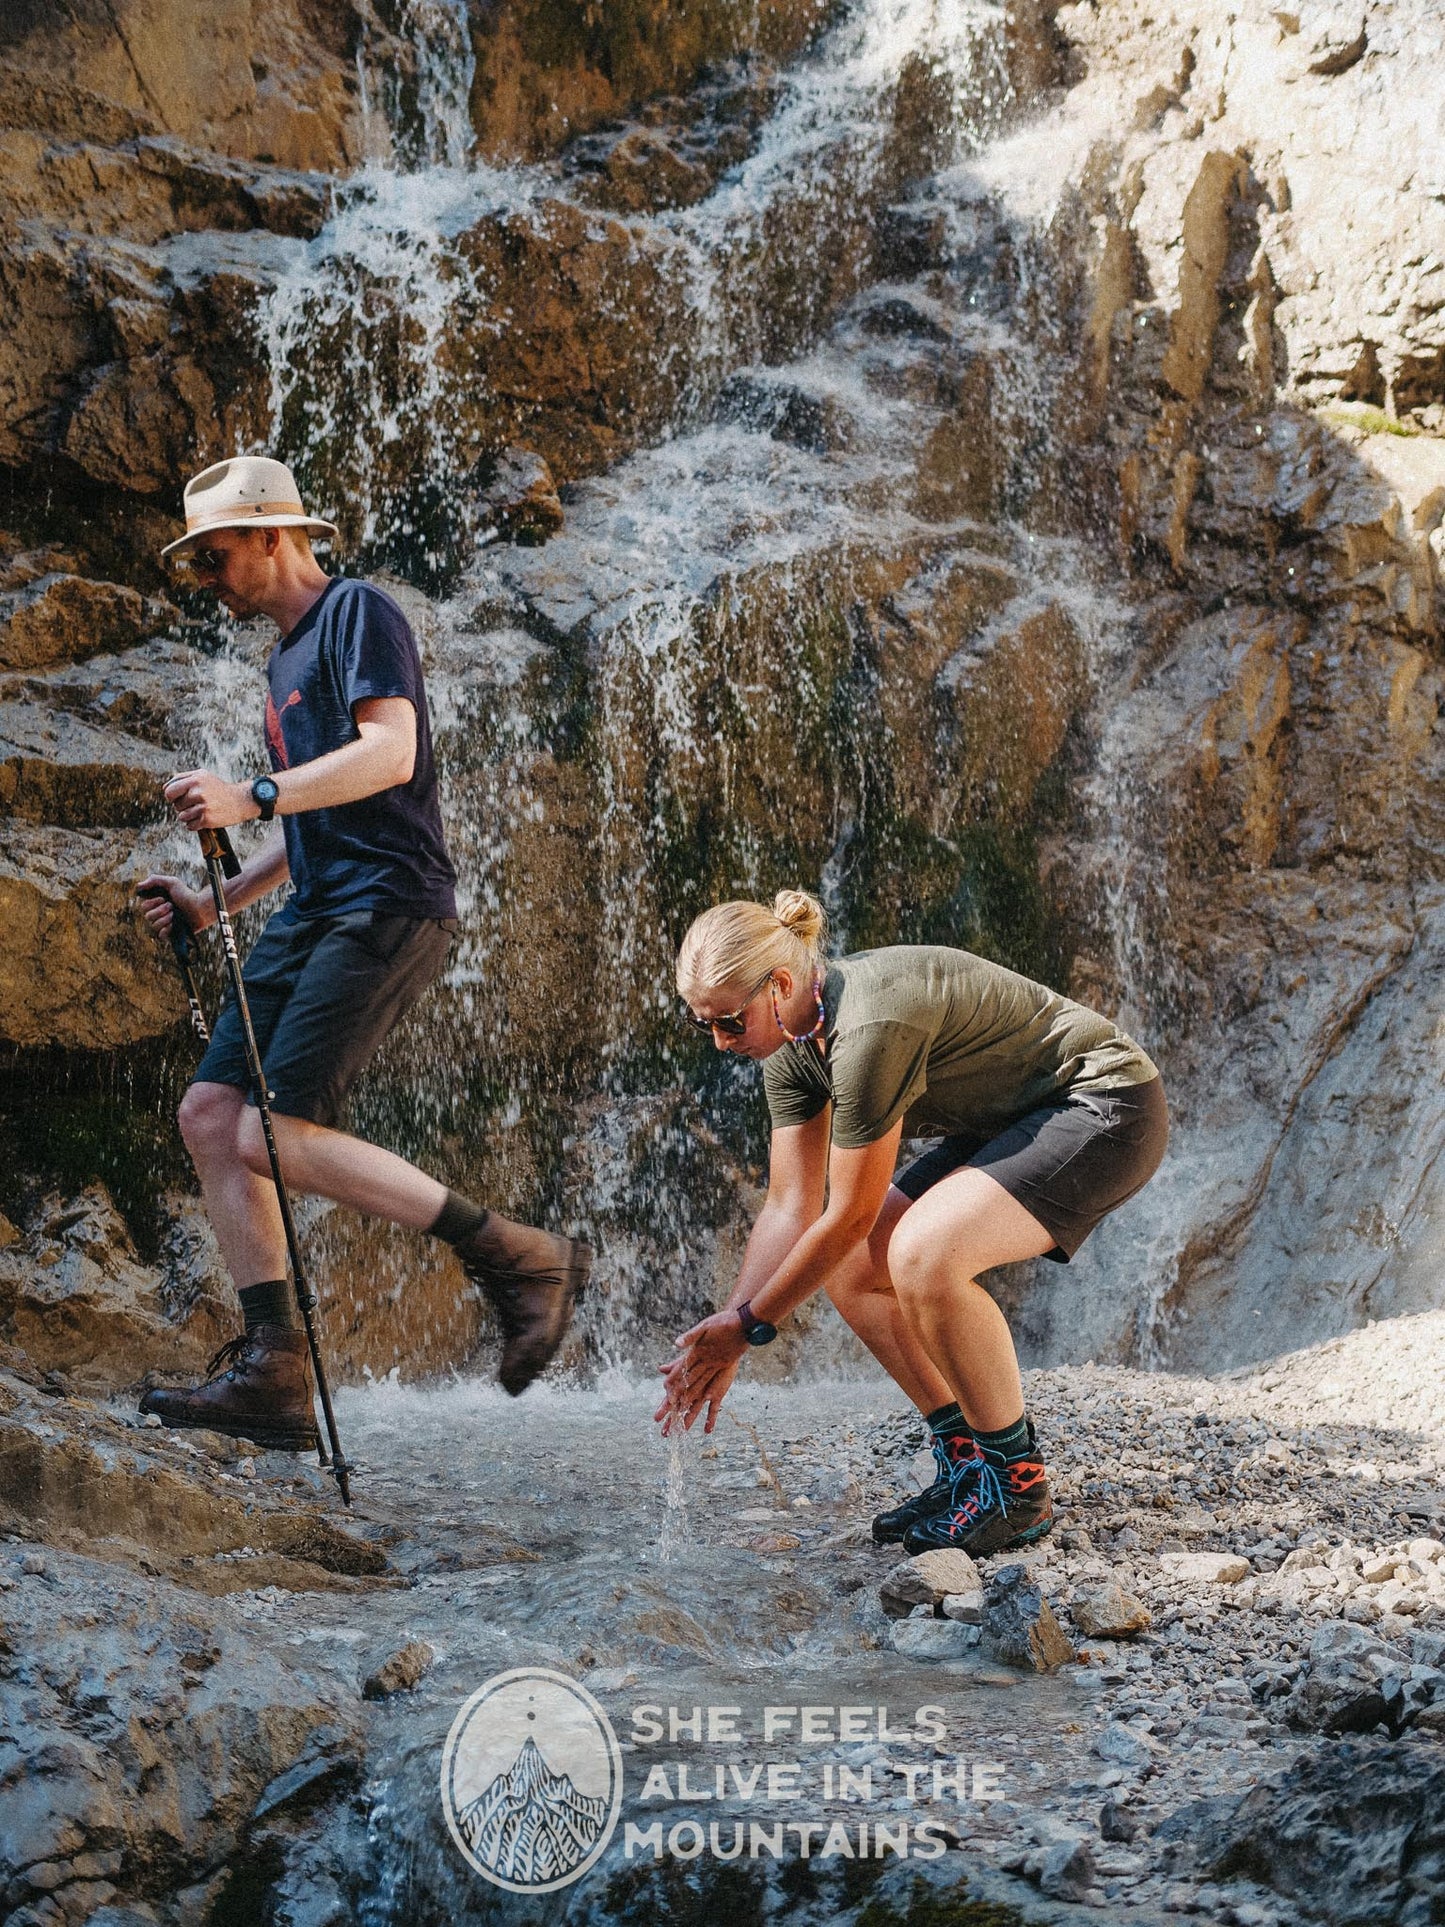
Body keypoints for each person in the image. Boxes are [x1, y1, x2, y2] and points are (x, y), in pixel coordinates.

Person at [137, 455, 590, 1449]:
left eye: (212, 557)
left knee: (267, 1132)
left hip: (388, 905)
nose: (206, 579)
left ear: (269, 532)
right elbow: (309, 820)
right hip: (318, 905)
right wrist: (219, 903)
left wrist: (249, 791)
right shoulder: (282, 660)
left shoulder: (358, 613)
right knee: (211, 1115)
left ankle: (519, 1257)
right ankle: (275, 1372)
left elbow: (390, 753)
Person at [657, 890, 1167, 1557]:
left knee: (923, 1254)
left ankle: (1017, 1488)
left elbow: (846, 1215)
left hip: (1107, 1106)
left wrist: (748, 1328)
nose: (722, 1043)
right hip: (1012, 1120)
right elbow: (789, 1205)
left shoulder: (866, 1031)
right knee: (855, 1269)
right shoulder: (789, 1043)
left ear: (779, 985)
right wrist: (730, 1326)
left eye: (729, 1021)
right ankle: (966, 1463)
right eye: (705, 1027)